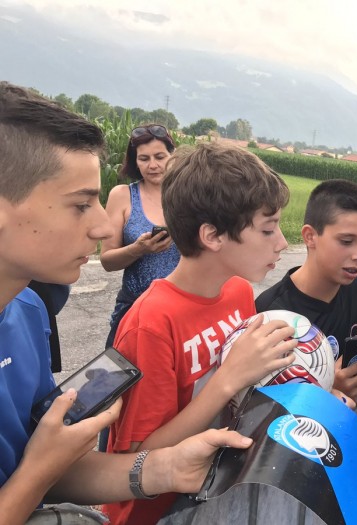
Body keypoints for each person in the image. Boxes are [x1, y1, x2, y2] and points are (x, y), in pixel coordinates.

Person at [0, 81, 260, 525]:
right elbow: (39, 469)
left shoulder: (28, 312)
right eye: (81, 205)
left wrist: (165, 467)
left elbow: (55, 468)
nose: (104, 226)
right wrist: (38, 472)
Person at [104, 141, 299, 525]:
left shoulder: (239, 290)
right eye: (268, 229)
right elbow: (140, 454)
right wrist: (226, 382)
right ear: (212, 236)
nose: (282, 243)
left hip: (215, 501)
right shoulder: (152, 323)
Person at [255, 179, 357, 405]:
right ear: (310, 236)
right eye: (346, 241)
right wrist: (329, 389)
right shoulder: (271, 312)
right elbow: (263, 408)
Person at [101, 124, 180, 349]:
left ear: (173, 156)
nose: (152, 165)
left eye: (159, 156)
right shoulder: (123, 195)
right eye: (144, 158)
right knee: (118, 379)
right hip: (134, 308)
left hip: (181, 310)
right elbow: (107, 260)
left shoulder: (189, 194)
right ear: (134, 161)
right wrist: (138, 249)